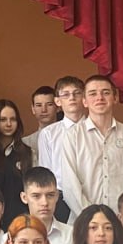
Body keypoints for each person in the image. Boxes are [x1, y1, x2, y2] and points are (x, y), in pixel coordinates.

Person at [59, 75, 123, 218]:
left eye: (106, 92)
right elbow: (70, 185)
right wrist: (92, 218)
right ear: (84, 101)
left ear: (115, 98)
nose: (99, 98)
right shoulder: (73, 136)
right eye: (92, 93)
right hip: (84, 221)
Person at [34, 77, 87, 218]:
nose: (72, 98)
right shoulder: (49, 134)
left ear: (84, 98)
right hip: (61, 198)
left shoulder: (95, 130)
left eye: (77, 93)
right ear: (57, 101)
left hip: (91, 194)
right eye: (66, 94)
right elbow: (46, 172)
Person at [20, 167, 74, 244]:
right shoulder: (10, 239)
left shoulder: (73, 236)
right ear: (24, 197)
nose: (44, 203)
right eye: (36, 196)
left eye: (50, 195)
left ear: (57, 196)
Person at [0, 98, 33, 219]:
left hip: (20, 217)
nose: (8, 124)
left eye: (13, 119)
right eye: (3, 120)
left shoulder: (28, 153)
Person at [22, 85, 57, 158]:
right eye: (39, 105)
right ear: (33, 109)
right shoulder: (26, 143)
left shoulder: (68, 136)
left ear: (58, 107)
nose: (44, 110)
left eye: (49, 104)